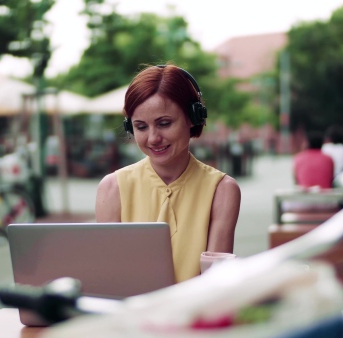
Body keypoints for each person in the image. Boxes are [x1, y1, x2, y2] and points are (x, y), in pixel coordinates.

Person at [95, 64, 241, 283]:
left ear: (193, 117)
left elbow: (215, 284)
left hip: (192, 313)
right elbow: (108, 278)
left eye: (164, 123)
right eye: (141, 127)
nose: (153, 138)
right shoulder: (112, 188)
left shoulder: (222, 190)